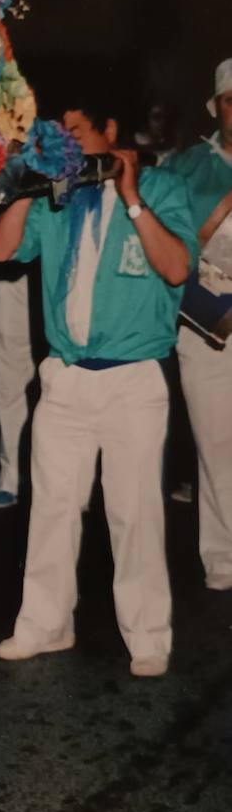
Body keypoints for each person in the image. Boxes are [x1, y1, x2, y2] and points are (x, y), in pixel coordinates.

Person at [0, 100, 196, 676]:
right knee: (52, 508)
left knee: (134, 514)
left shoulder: (164, 187)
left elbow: (176, 268)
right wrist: (28, 186)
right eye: (58, 137)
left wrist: (132, 198)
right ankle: (44, 623)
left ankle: (149, 634)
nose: (68, 146)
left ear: (109, 130)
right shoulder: (60, 196)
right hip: (67, 379)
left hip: (133, 381)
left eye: (76, 133)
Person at [167, 61, 232, 587]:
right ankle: (222, 554)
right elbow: (179, 252)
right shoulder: (190, 166)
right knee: (215, 441)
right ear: (217, 107)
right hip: (210, 322)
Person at [0, 266, 36, 509]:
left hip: (64, 277)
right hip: (14, 278)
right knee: (9, 386)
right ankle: (10, 479)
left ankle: (81, 485)